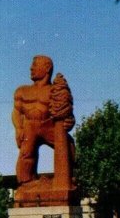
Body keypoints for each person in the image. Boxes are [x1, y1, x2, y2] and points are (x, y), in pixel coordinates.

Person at [12, 55, 75, 186]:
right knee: (26, 154)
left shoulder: (55, 91)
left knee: (68, 145)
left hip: (49, 125)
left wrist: (70, 122)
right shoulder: (22, 91)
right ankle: (27, 182)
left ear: (47, 68)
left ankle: (66, 178)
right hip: (29, 126)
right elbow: (17, 111)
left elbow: (67, 113)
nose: (31, 68)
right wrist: (18, 128)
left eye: (35, 65)